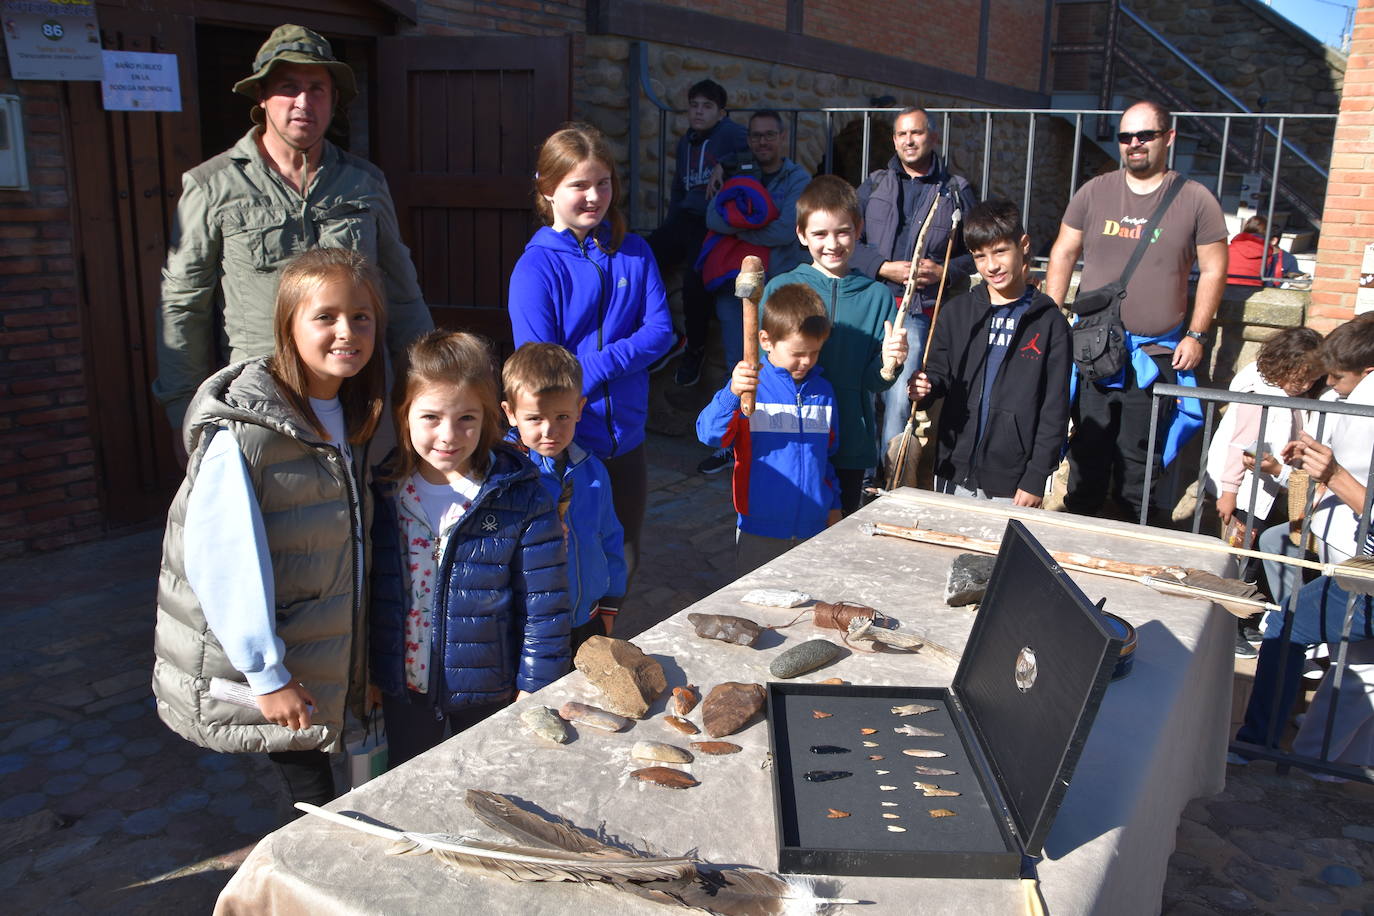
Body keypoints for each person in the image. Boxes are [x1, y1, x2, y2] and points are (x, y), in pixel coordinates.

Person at [151, 248, 388, 811]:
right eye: (325, 316)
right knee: (311, 801)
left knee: (349, 785)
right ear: (288, 324)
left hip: (332, 646)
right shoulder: (244, 434)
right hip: (282, 658)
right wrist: (267, 674)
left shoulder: (357, 413)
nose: (346, 332)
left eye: (361, 317)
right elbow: (221, 558)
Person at [154, 24, 432, 434]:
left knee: (366, 498)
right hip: (263, 398)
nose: (304, 102)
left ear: (334, 99)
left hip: (358, 398)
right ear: (262, 97)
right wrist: (186, 412)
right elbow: (184, 306)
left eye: (317, 88)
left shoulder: (365, 183)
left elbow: (402, 293)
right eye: (288, 87)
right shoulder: (211, 185)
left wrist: (427, 387)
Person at [369, 331, 570, 768]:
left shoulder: (521, 496)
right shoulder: (385, 493)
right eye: (430, 418)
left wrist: (537, 686)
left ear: (488, 418)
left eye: (466, 419)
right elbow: (374, 593)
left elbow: (545, 603)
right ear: (404, 415)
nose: (448, 435)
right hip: (406, 689)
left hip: (490, 689)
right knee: (412, 781)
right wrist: (371, 673)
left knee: (488, 781)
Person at [508, 123, 674, 603]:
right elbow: (541, 370)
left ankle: (609, 644)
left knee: (622, 552)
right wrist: (598, 368)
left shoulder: (635, 252)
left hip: (627, 439)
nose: (594, 196)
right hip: (567, 441)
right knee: (568, 556)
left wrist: (590, 367)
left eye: (602, 183)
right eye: (578, 185)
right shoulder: (536, 268)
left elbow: (661, 332)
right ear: (547, 190)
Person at [1046, 100, 1229, 522]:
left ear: (1168, 138)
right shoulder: (1094, 191)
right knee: (1086, 457)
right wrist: (1053, 317)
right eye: (1125, 136)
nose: (1133, 144)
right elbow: (1063, 252)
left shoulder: (1196, 199)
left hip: (1155, 357)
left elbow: (1215, 269)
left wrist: (1198, 334)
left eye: (1144, 135)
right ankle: (1073, 548)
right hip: (1092, 352)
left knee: (1139, 465)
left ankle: (1130, 553)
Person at [760, 175, 908, 515]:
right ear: (801, 234)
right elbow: (764, 360)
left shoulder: (878, 296)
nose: (833, 243)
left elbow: (872, 381)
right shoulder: (781, 288)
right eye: (820, 234)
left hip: (850, 443)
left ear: (858, 229)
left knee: (836, 538)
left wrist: (889, 364)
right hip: (789, 436)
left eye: (842, 231)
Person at [908, 199, 1070, 505]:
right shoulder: (956, 313)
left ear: (1022, 245)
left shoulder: (1050, 323)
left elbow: (1055, 409)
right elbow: (939, 377)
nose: (991, 266)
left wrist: (1036, 477)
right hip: (952, 470)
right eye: (980, 256)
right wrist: (923, 387)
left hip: (1013, 482)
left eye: (999, 251)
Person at [850, 106, 978, 459]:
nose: (909, 140)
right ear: (894, 140)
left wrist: (945, 272)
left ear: (933, 138)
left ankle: (888, 476)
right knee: (861, 392)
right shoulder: (874, 185)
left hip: (917, 312)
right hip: (870, 304)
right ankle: (859, 471)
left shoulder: (955, 191)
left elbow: (975, 252)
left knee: (898, 400)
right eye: (902, 134)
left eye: (917, 133)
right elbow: (848, 243)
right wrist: (882, 267)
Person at [696, 283, 841, 574]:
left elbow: (826, 458)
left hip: (814, 526)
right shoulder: (750, 389)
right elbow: (709, 433)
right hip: (759, 528)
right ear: (766, 340)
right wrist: (732, 394)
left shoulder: (824, 391)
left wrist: (833, 505)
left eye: (814, 352)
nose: (806, 361)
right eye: (798, 352)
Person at [697, 109, 811, 475]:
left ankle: (778, 443)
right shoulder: (736, 170)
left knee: (786, 364)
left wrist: (739, 231)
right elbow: (712, 218)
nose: (763, 141)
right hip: (739, 288)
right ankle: (731, 441)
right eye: (756, 136)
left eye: (769, 135)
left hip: (782, 286)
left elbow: (783, 231)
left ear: (782, 138)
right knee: (739, 363)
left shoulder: (798, 179)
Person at [501, 342, 627, 655]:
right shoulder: (506, 479)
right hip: (531, 625)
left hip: (589, 617)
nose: (550, 430)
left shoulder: (593, 471)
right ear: (510, 413)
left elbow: (610, 538)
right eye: (534, 418)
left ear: (579, 409)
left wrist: (610, 604)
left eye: (562, 416)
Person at [1255, 317, 1374, 605]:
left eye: (1338, 376)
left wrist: (1332, 475)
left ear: (1368, 373)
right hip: (1335, 536)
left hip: (1358, 554)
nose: (1329, 384)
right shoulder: (1339, 401)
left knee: (1291, 629)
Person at [646, 79, 750, 387]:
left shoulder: (731, 133)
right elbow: (679, 187)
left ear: (721, 112)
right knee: (642, 258)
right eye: (694, 106)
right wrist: (669, 223)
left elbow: (754, 156)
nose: (699, 112)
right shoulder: (685, 141)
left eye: (707, 107)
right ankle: (667, 335)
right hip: (685, 218)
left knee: (696, 279)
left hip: (712, 221)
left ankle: (695, 350)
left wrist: (727, 165)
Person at [1227, 215, 1284, 287]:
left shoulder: (1228, 249)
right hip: (1253, 293)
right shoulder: (1268, 255)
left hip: (1224, 291)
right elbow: (1269, 283)